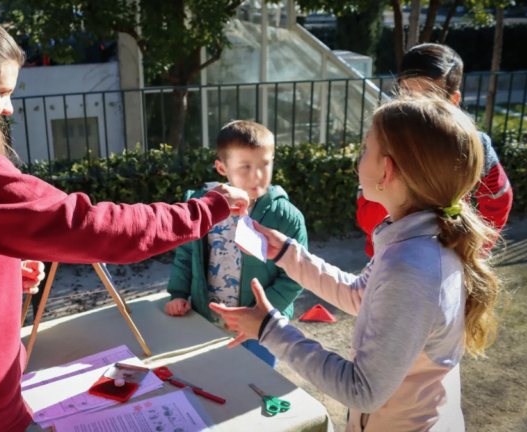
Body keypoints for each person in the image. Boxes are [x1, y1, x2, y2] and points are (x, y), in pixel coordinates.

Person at [0, 12, 249, 432]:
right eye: (2, 91)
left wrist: (2, 272)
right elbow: (91, 226)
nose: (8, 108)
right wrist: (207, 208)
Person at [211, 96, 505, 431]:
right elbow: (358, 295)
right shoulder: (410, 239)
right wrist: (287, 254)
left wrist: (270, 330)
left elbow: (362, 391)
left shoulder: (412, 269)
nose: (358, 159)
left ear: (387, 170)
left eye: (366, 149)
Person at [165, 120, 308, 368]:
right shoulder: (203, 208)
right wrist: (178, 294)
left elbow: (295, 275)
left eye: (265, 164)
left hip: (262, 326)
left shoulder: (286, 216)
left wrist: (260, 314)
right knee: (217, 379)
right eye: (245, 167)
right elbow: (186, 254)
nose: (258, 175)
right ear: (222, 168)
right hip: (207, 318)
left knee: (258, 380)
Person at [357, 43, 513, 257]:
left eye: (429, 93)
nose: (414, 103)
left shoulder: (472, 144)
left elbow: (500, 196)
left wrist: (477, 250)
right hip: (388, 257)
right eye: (406, 92)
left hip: (447, 255)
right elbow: (366, 216)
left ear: (453, 100)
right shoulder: (383, 141)